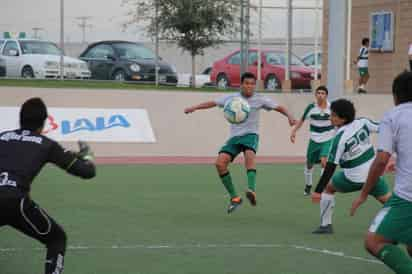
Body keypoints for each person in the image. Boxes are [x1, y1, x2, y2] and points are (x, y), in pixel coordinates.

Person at [0, 98, 96, 274]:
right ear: (43, 123)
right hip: (16, 203)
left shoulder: (3, 136)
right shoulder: (46, 144)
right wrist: (88, 156)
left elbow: (17, 152)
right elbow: (87, 172)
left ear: (20, 119)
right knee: (57, 239)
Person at [184, 72, 296, 214]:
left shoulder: (260, 99)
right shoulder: (232, 98)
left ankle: (251, 190)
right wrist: (194, 107)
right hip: (235, 137)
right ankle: (235, 198)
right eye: (247, 83)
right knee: (220, 164)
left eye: (252, 84)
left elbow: (279, 107)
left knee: (249, 155)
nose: (249, 86)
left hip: (251, 135)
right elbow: (212, 103)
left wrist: (290, 116)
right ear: (241, 84)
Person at [351, 71, 412, 273]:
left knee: (374, 240)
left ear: (395, 96)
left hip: (407, 197)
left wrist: (363, 193)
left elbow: (381, 160)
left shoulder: (393, 116)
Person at [312, 99, 390, 234]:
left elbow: (330, 167)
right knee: (391, 202)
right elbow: (383, 128)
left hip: (353, 179)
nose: (330, 118)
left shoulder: (339, 138)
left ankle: (325, 226)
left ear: (343, 119)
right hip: (374, 175)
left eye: (333, 115)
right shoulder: (363, 122)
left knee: (328, 188)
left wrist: (317, 190)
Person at [290, 85, 335, 196]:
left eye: (323, 93)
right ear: (315, 95)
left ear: (326, 95)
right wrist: (294, 131)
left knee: (324, 162)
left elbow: (339, 121)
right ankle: (308, 185)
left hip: (328, 139)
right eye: (318, 93)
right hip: (314, 140)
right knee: (309, 165)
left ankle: (321, 187)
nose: (320, 95)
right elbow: (301, 120)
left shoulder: (332, 108)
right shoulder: (311, 107)